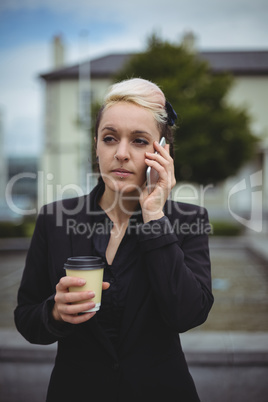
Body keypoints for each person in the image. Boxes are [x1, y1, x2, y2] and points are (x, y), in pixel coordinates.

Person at [14, 78, 214, 402]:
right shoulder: (55, 220)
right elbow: (25, 316)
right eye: (110, 138)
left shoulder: (188, 221)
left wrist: (154, 216)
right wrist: (54, 312)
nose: (121, 153)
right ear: (96, 144)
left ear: (161, 151)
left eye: (138, 141)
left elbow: (188, 314)